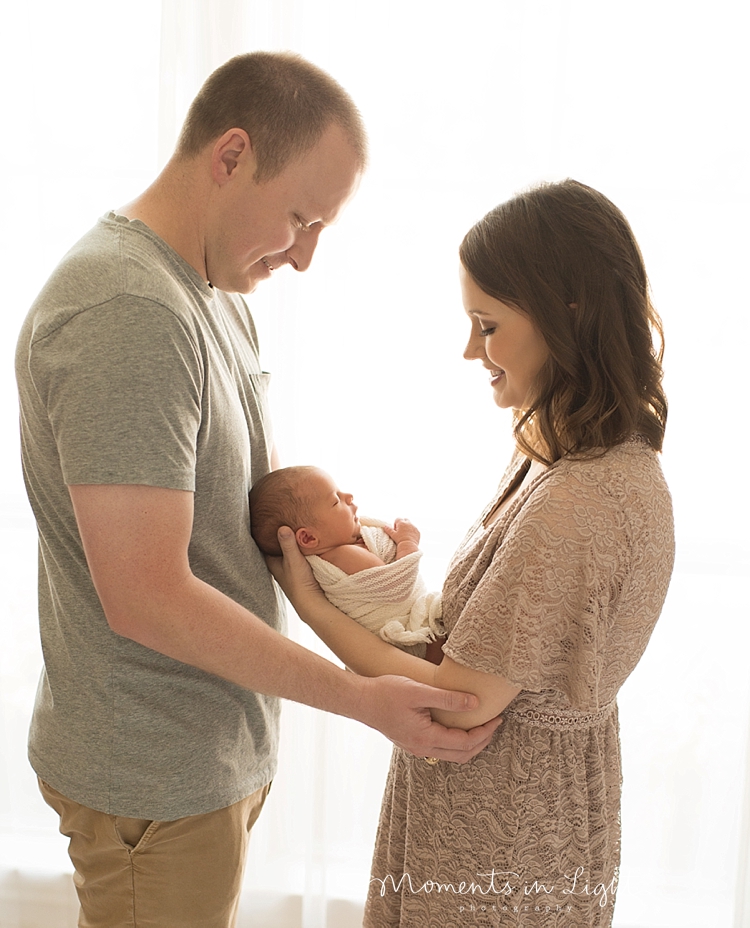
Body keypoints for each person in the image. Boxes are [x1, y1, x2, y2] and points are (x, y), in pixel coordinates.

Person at [14, 52, 500, 928]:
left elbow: (225, 521)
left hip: (202, 760)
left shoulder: (210, 292)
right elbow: (147, 596)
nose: (305, 258)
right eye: (300, 219)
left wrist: (355, 560)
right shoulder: (128, 310)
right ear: (231, 155)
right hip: (151, 775)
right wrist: (359, 700)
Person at [269, 179, 675, 927]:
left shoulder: (578, 500)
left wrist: (310, 603)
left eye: (486, 325)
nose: (469, 350)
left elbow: (457, 703)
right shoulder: (578, 458)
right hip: (527, 817)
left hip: (502, 834)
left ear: (567, 315)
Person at [249, 465, 444, 654]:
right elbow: (398, 586)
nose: (348, 497)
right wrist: (407, 542)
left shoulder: (342, 544)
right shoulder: (341, 556)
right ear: (308, 538)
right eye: (336, 501)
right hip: (417, 642)